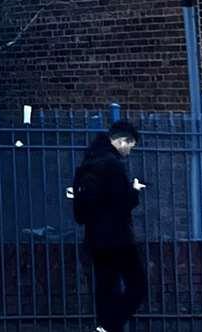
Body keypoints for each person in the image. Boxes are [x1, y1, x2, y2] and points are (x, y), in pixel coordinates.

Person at [70, 119, 149, 332]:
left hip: (94, 238)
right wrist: (133, 191)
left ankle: (105, 325)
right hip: (118, 237)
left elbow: (81, 211)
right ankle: (109, 326)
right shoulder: (113, 165)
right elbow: (122, 202)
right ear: (122, 141)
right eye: (130, 144)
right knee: (138, 286)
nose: (130, 150)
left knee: (106, 289)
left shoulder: (87, 164)